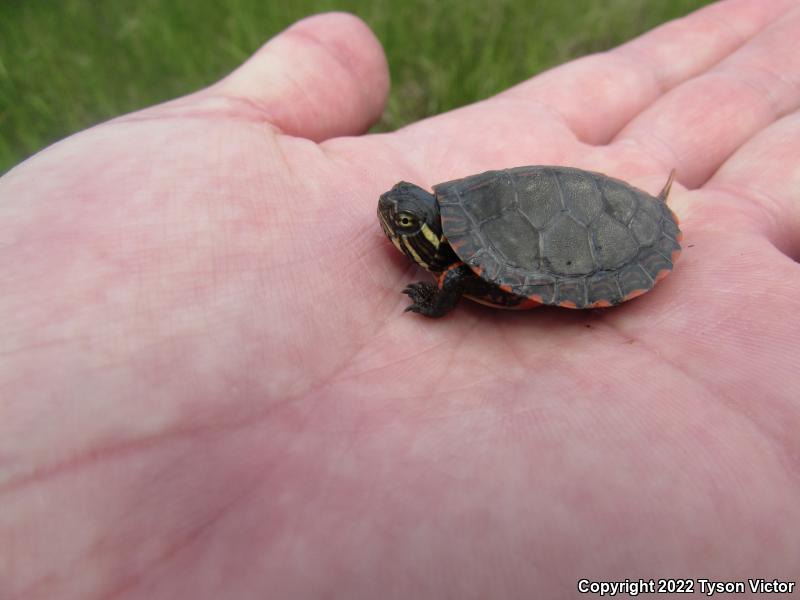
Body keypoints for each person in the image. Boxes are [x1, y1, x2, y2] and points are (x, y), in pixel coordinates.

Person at [1, 1, 799, 596]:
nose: (396, 221)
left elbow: (458, 275)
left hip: (598, 227)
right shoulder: (450, 227)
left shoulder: (454, 268)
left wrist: (437, 295)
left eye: (406, 221)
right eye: (406, 218)